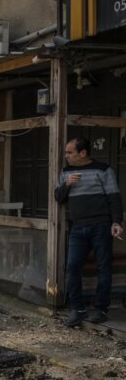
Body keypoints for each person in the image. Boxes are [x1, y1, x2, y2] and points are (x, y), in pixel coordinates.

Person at [54, 137, 123, 327]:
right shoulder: (66, 172)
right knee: (72, 267)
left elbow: (114, 197)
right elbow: (58, 198)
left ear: (82, 153)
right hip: (77, 227)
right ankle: (78, 309)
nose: (66, 156)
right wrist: (66, 184)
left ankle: (101, 310)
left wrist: (117, 221)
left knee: (104, 267)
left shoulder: (103, 170)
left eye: (70, 152)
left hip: (101, 225)